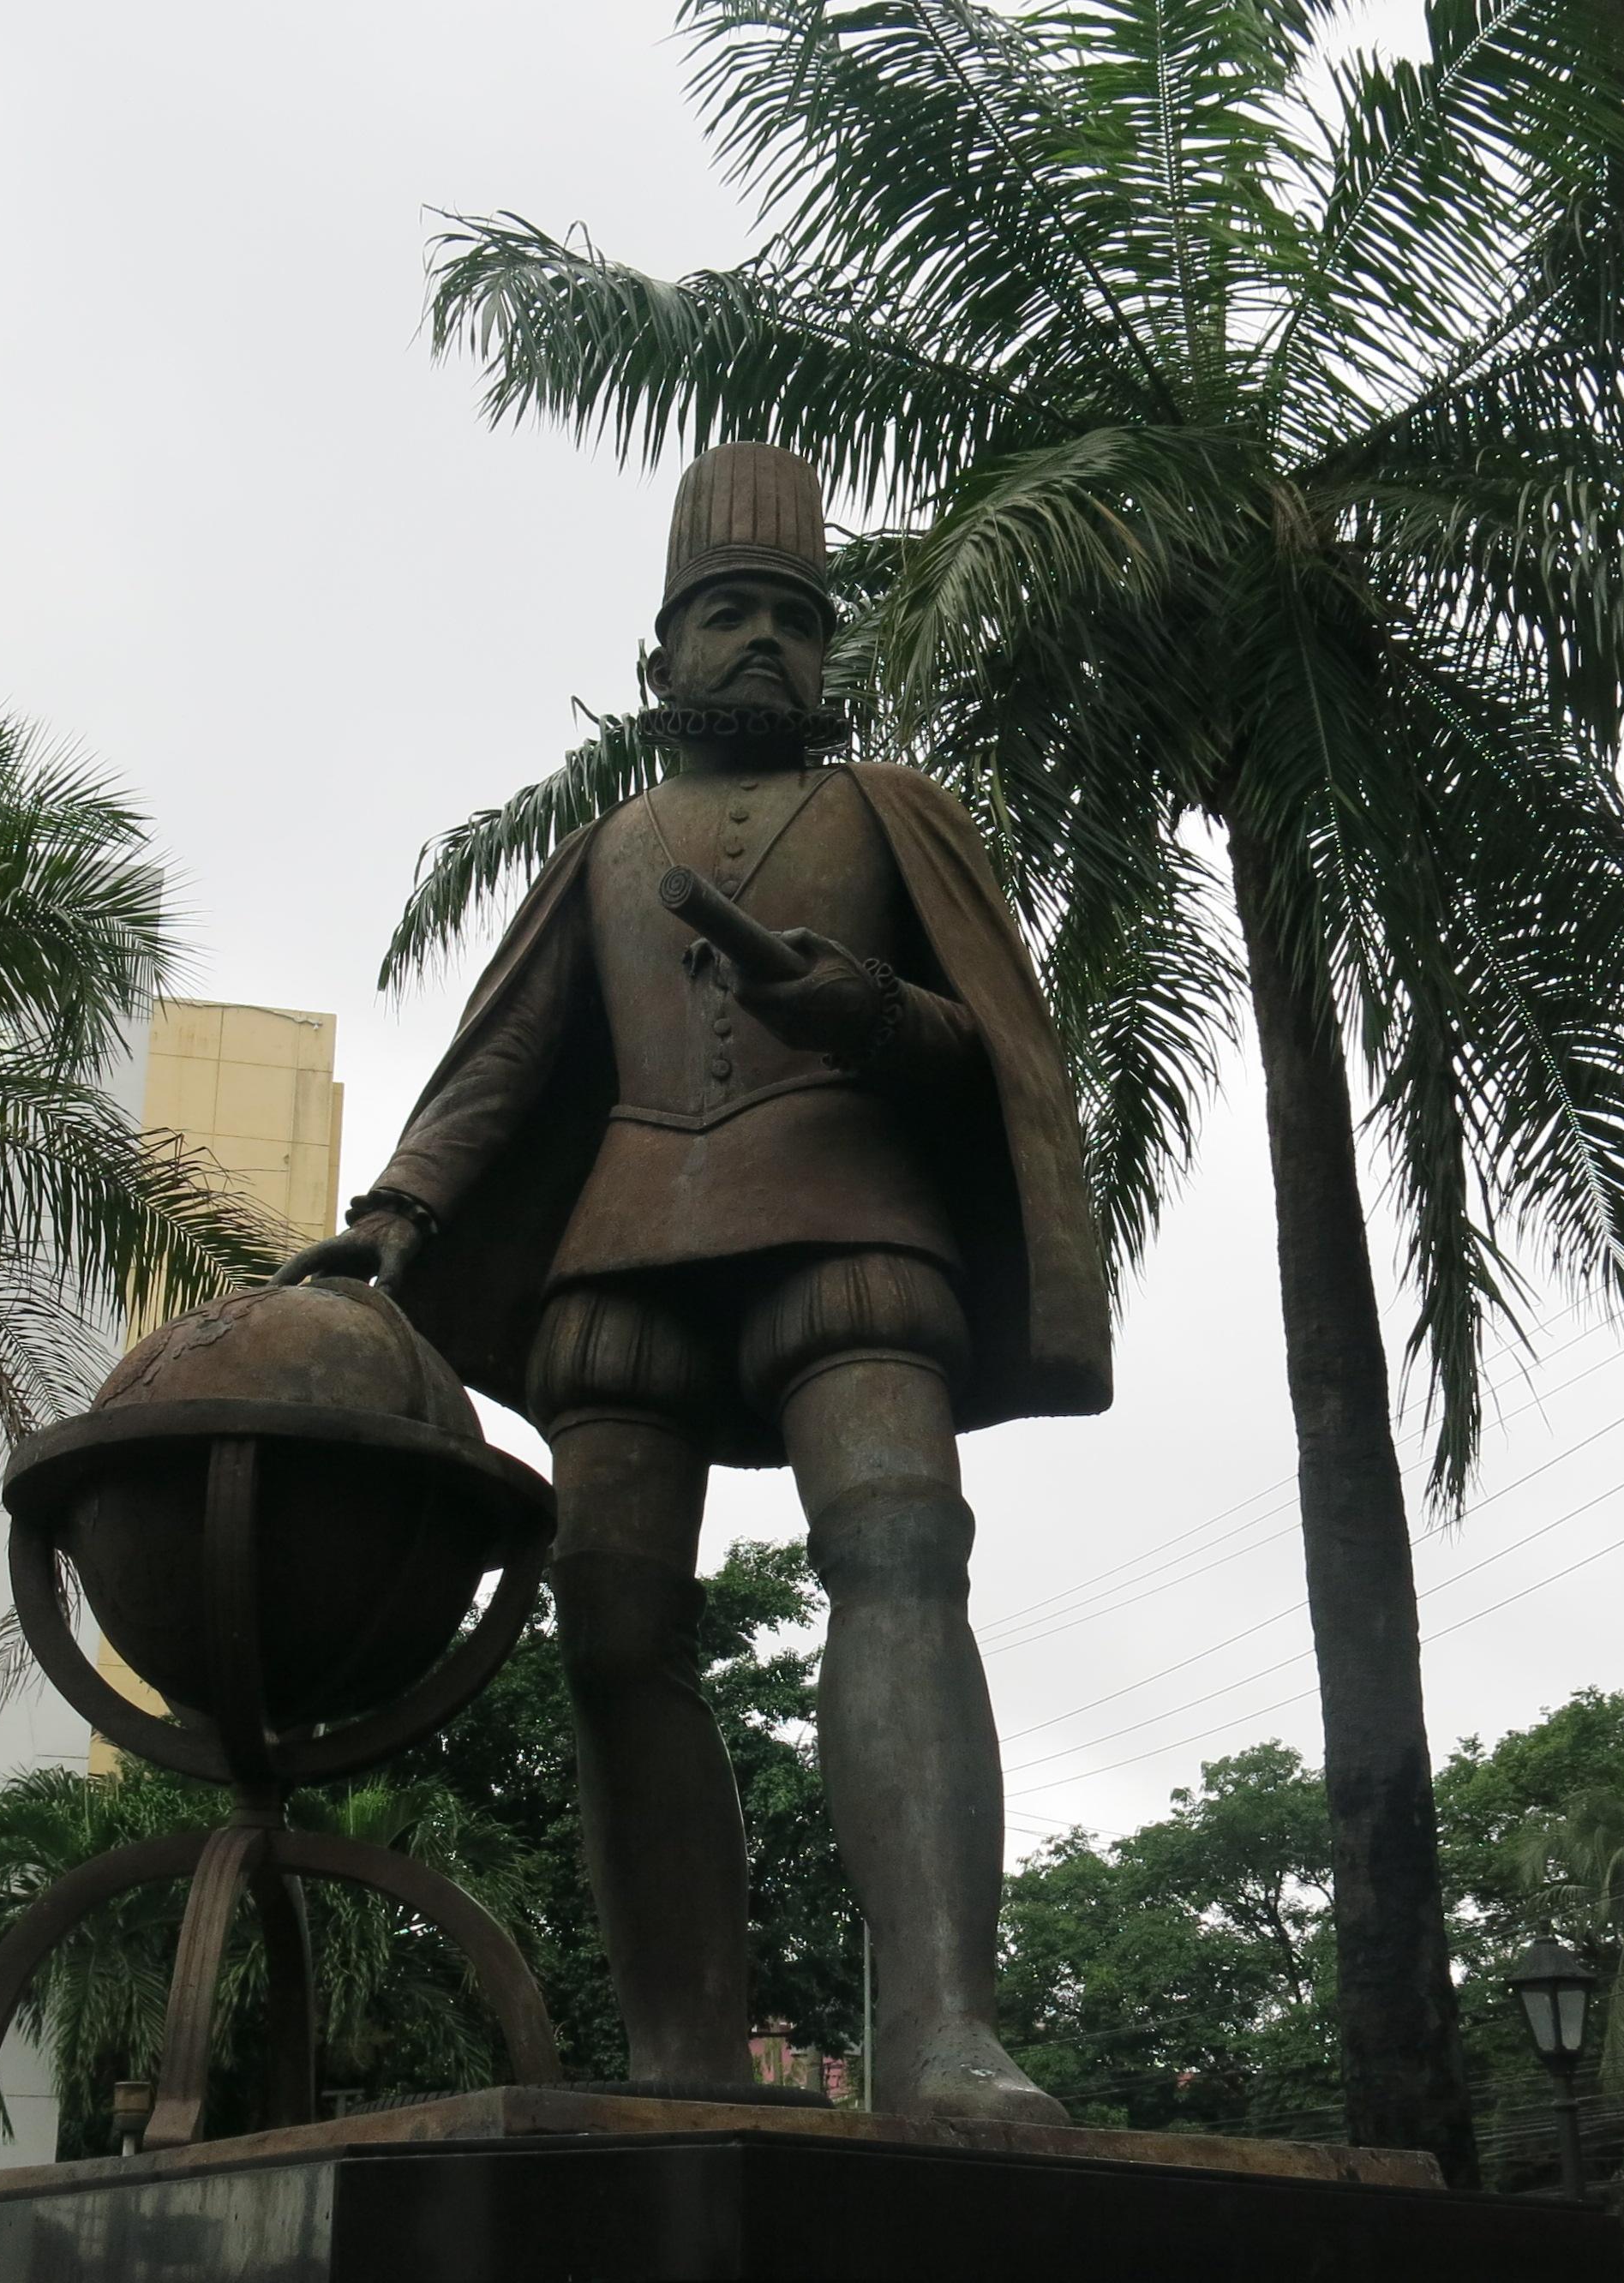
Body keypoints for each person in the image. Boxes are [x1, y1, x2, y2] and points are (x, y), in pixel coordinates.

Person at [279, 442, 1109, 2118]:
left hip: (851, 1227)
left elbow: (994, 1058)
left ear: (827, 658)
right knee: (609, 1634)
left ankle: (940, 2029)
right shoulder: (603, 850)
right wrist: (397, 1214)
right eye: (723, 615)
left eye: (792, 622)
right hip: (623, 1249)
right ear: (654, 657)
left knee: (899, 1548)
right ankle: (676, 2050)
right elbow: (502, 1062)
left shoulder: (895, 816)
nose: (759, 646)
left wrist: (864, 1013)